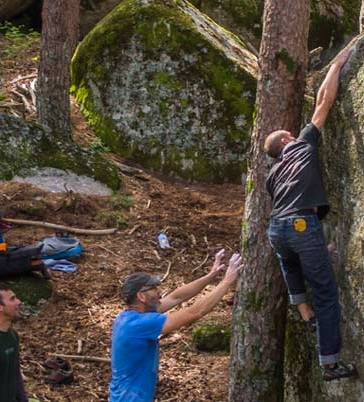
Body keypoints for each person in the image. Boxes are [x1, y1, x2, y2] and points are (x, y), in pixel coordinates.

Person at [264, 47, 356, 381]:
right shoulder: (301, 144)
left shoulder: (273, 173)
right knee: (327, 293)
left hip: (277, 229)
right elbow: (323, 103)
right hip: (302, 224)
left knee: (290, 265)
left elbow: (281, 203)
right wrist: (337, 63)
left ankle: (304, 312)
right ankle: (330, 363)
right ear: (287, 139)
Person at [109, 249, 243, 402]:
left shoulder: (129, 316)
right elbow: (195, 312)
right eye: (153, 288)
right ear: (141, 296)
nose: (159, 292)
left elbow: (176, 297)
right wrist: (226, 282)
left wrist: (211, 275)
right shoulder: (141, 324)